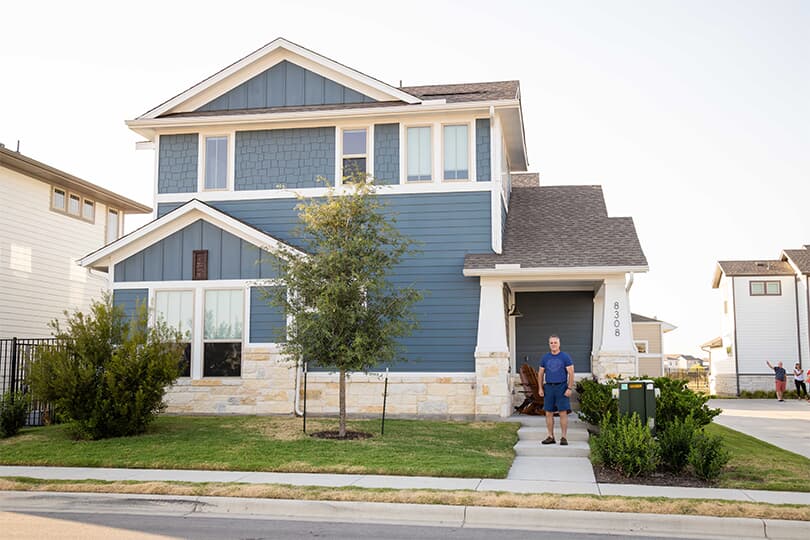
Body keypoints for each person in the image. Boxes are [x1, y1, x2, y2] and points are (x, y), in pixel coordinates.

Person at [538, 335, 575, 445]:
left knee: (563, 412)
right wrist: (540, 388)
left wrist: (569, 387)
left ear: (559, 344)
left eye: (555, 342)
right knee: (548, 412)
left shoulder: (565, 357)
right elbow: (540, 374)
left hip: (562, 387)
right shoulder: (545, 358)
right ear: (549, 344)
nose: (553, 344)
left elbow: (571, 373)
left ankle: (563, 437)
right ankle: (550, 436)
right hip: (549, 387)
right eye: (551, 343)